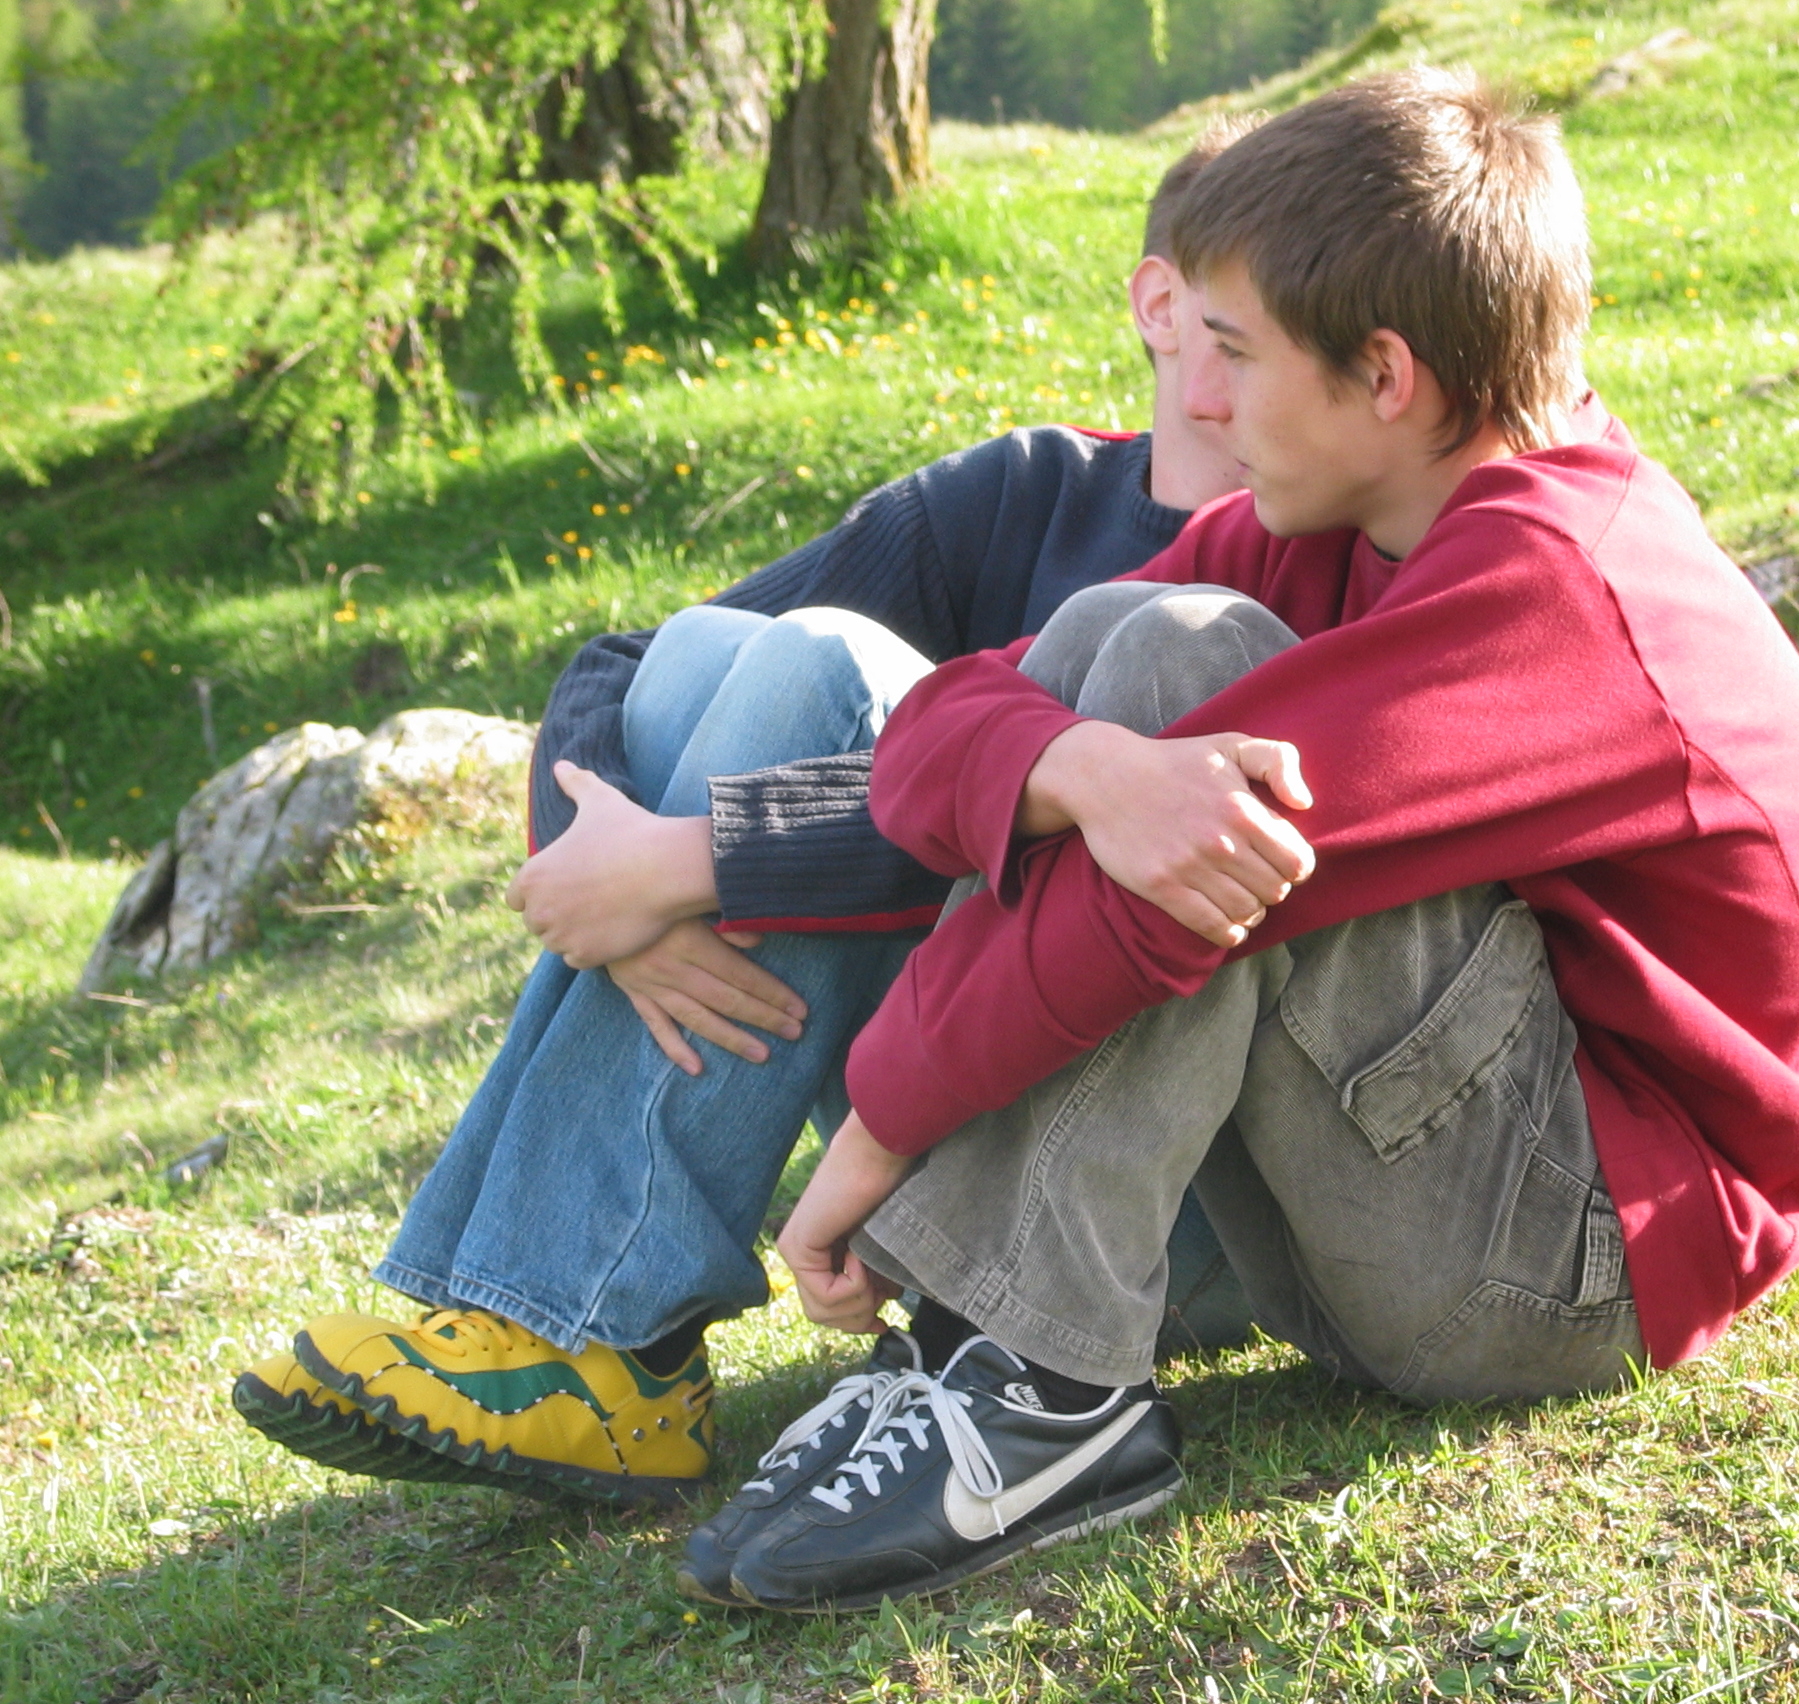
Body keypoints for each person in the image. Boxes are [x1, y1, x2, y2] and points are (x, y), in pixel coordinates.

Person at [689, 68, 1799, 1613]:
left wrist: (873, 1143)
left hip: (1579, 1266)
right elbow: (937, 732)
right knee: (1124, 649)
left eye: (1237, 352)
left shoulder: (1567, 585)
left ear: (1386, 377)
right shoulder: (1330, 524)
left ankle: (1043, 1388)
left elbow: (1167, 900)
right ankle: (989, 1353)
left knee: (1189, 694)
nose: (1204, 400)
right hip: (1399, 1221)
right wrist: (1077, 764)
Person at [229, 123, 1262, 1541]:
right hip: (937, 1101)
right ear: (1160, 306)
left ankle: (594, 1333)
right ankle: (560, 1324)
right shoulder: (1031, 492)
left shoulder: (1303, 559)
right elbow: (619, 664)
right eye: (1249, 324)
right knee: (720, 654)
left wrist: (688, 866)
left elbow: (1075, 861)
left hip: (1135, 1202)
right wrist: (616, 892)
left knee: (832, 668)